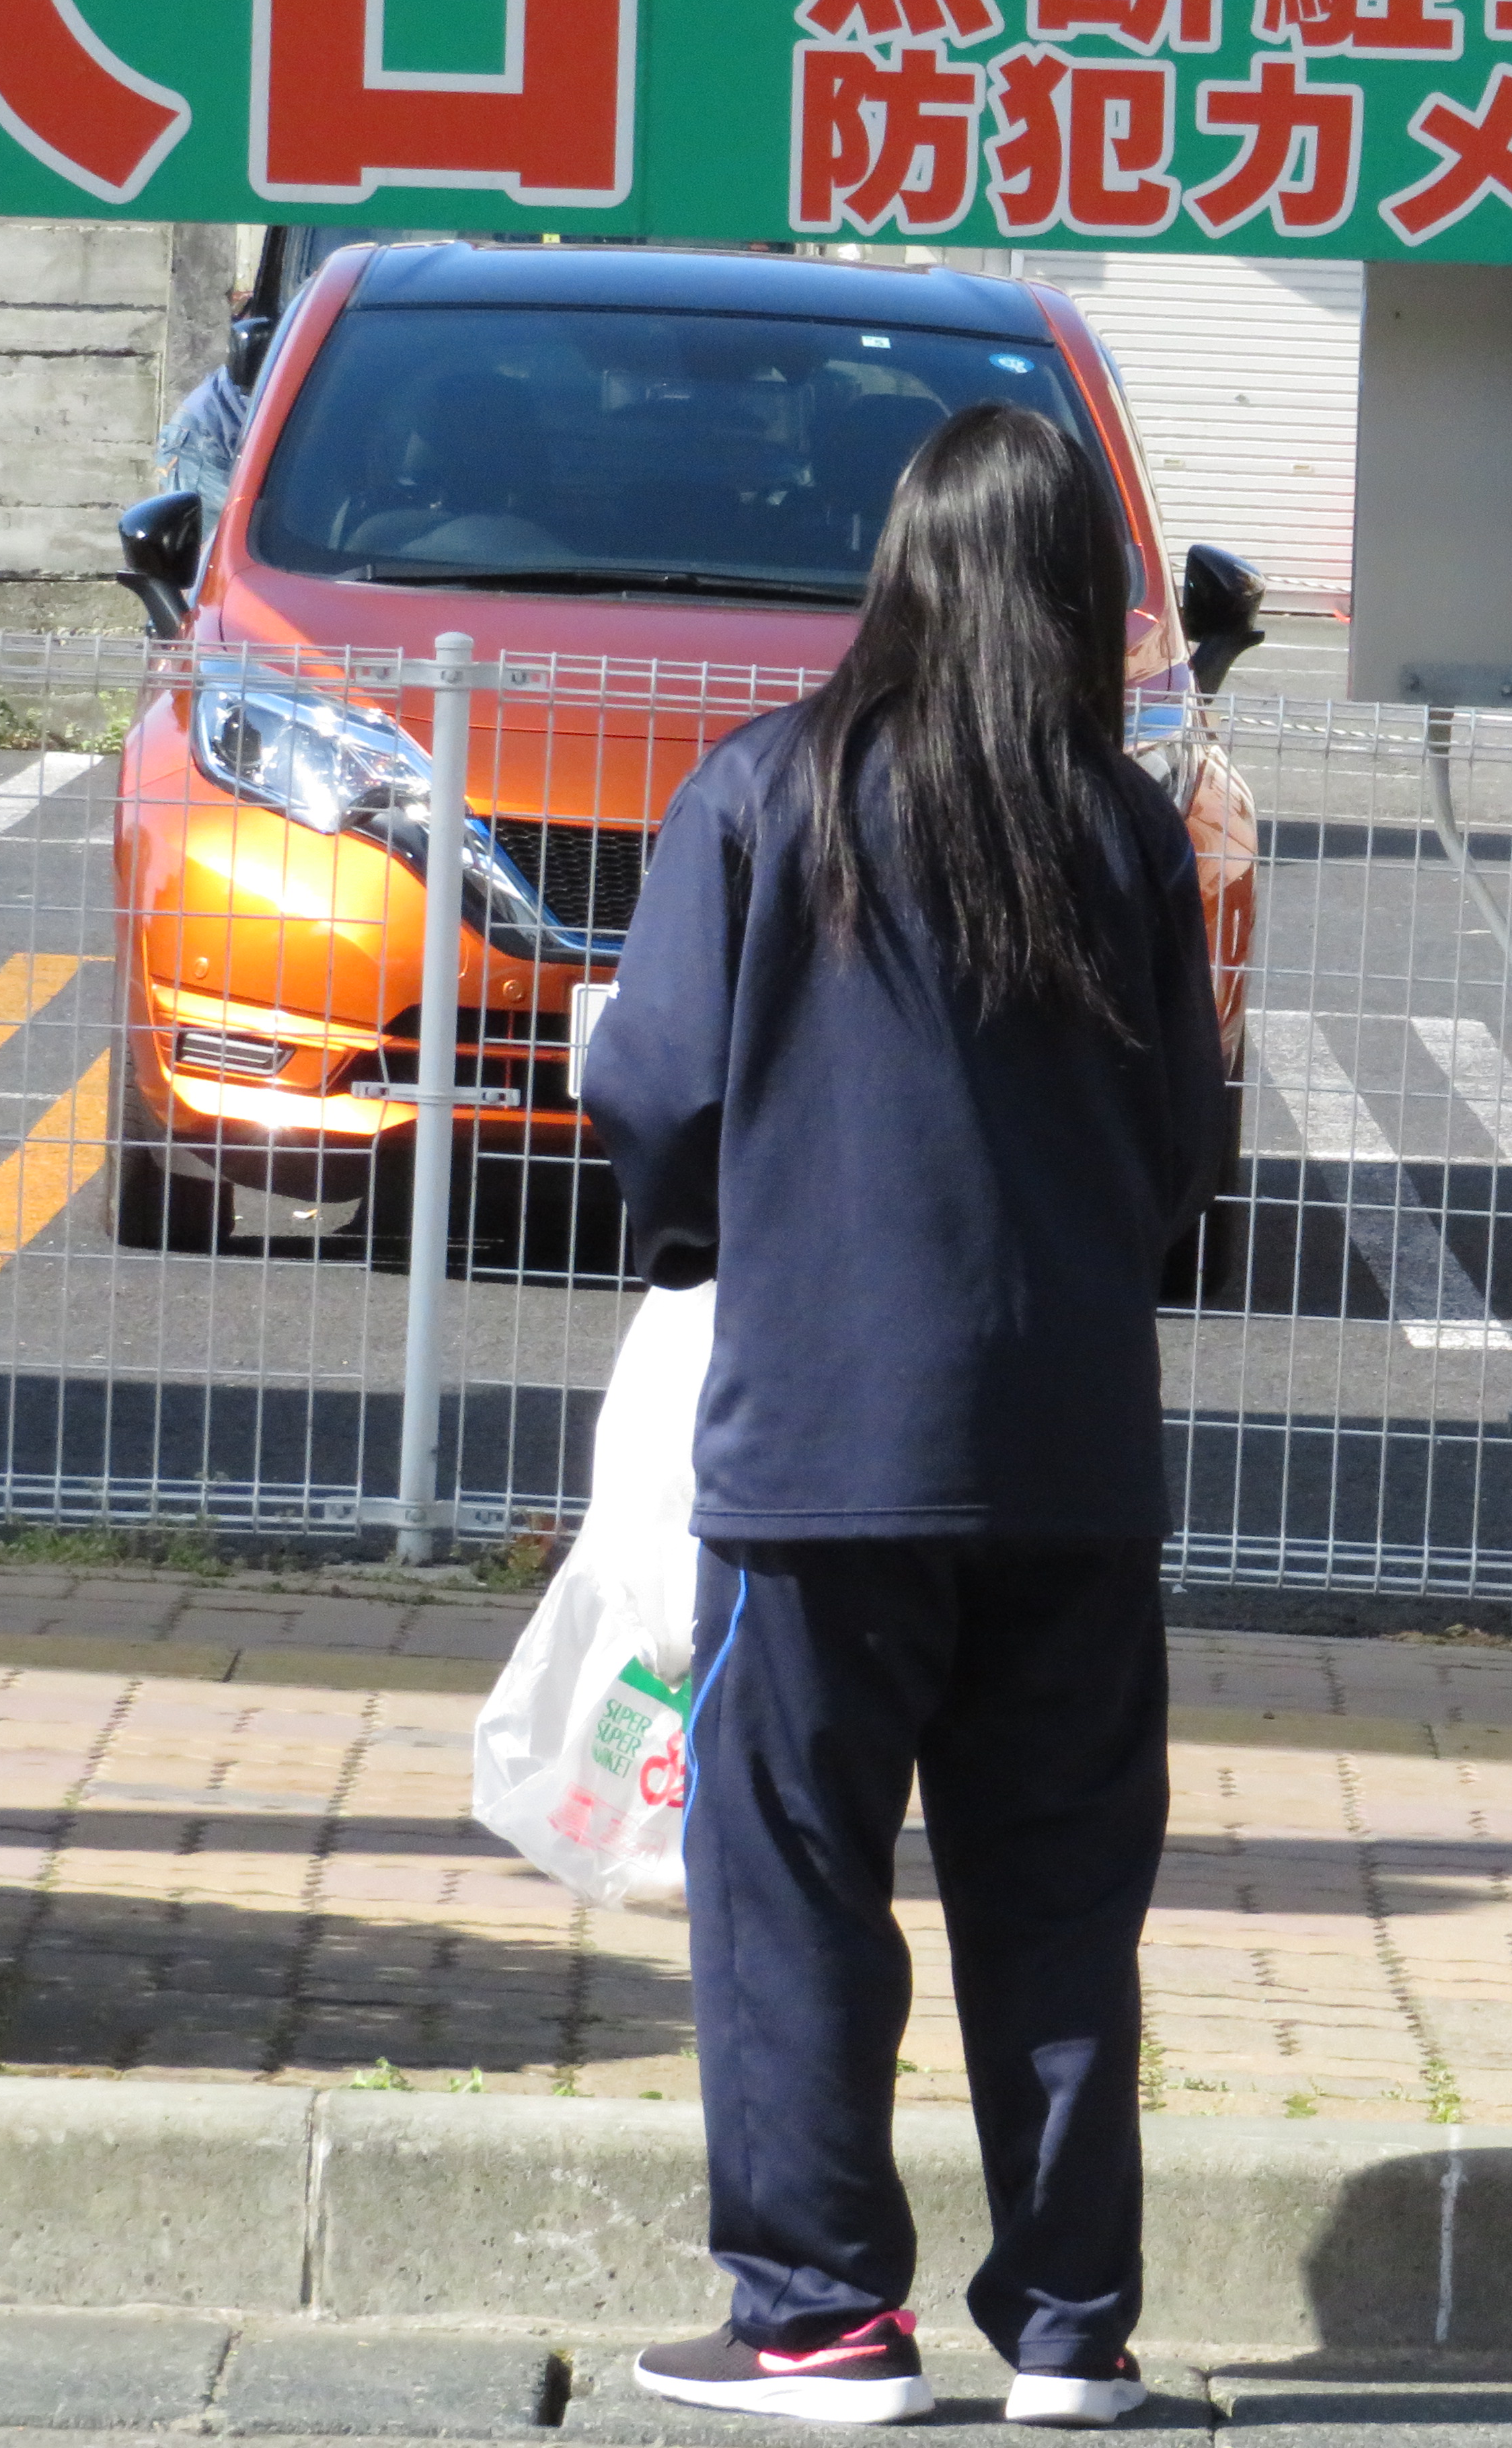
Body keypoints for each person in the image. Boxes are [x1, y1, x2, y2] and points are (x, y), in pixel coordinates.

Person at [584, 402, 1226, 2430]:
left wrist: (711, 1237)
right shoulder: (1122, 829)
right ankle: (1066, 2335)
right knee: (1058, 1901)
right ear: (1071, 601)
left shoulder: (773, 793)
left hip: (822, 1452)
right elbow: (1188, 1146)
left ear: (899, 568)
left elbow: (656, 1092)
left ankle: (820, 2318)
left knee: (789, 1884)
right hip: (1072, 1458)